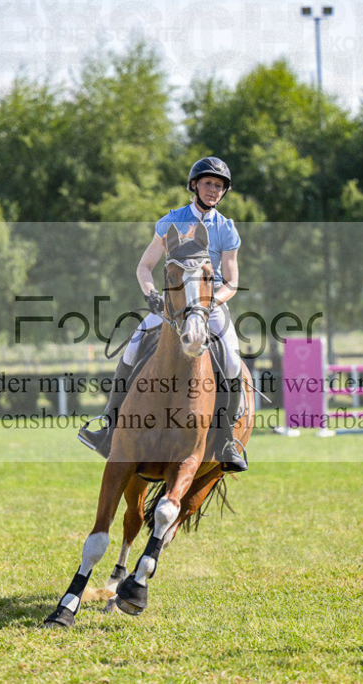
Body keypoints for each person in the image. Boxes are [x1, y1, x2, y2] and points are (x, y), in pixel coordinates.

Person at [78, 156, 248, 472]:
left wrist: (210, 305)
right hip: (172, 305)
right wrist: (151, 295)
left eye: (219, 186)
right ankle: (108, 426)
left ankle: (225, 441)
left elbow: (233, 282)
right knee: (131, 350)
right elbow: (144, 266)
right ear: (195, 185)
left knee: (233, 362)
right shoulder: (171, 221)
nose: (214, 190)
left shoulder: (227, 229)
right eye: (209, 183)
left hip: (211, 307)